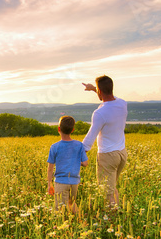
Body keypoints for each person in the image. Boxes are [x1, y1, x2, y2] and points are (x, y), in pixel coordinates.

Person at [82, 75, 128, 206]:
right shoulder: (122, 104)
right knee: (112, 188)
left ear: (100, 91)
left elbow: (90, 138)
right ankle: (118, 214)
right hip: (121, 154)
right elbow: (108, 97)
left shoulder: (99, 113)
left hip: (107, 156)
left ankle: (112, 221)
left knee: (106, 193)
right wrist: (94, 89)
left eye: (97, 90)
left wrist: (77, 153)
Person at [47, 116, 89, 213]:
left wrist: (49, 184)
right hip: (74, 182)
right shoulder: (79, 145)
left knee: (60, 210)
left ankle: (80, 222)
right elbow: (85, 163)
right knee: (71, 205)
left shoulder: (54, 147)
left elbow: (50, 168)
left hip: (61, 182)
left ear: (58, 129)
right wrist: (75, 161)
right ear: (72, 130)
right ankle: (80, 222)